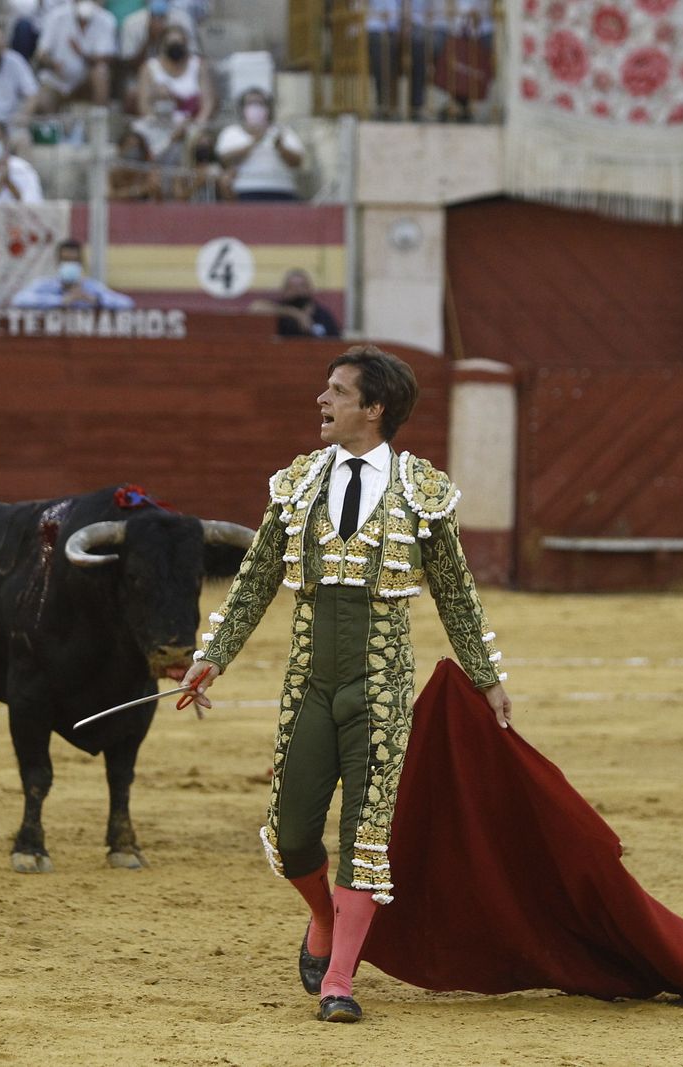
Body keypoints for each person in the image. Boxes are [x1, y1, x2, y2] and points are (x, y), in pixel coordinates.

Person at [180, 345, 512, 1024]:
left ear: (374, 407)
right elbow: (256, 579)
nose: (321, 402)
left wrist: (487, 678)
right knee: (292, 832)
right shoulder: (297, 482)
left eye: (336, 392)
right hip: (309, 683)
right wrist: (213, 653)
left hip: (383, 687)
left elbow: (454, 592)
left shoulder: (423, 489)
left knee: (366, 832)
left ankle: (338, 980)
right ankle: (322, 916)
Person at [215, 88, 303, 202]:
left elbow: (297, 163)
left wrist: (281, 147)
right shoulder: (231, 132)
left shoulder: (283, 131)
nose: (256, 108)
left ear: (269, 108)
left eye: (260, 103)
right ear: (242, 108)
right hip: (245, 191)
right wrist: (255, 141)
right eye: (251, 103)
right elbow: (224, 160)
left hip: (281, 190)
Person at [33, 0, 115, 111]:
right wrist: (52, 64)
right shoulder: (56, 16)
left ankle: (99, 117)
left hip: (84, 83)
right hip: (57, 81)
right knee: (43, 102)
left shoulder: (106, 19)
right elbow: (41, 53)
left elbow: (106, 58)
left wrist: (81, 53)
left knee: (101, 71)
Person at [11, 237, 133, 308]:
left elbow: (127, 303)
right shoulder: (45, 285)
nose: (69, 264)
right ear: (58, 262)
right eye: (65, 260)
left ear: (81, 263)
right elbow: (19, 299)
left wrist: (94, 299)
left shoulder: (91, 287)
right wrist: (61, 301)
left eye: (74, 260)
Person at [131, 21, 211, 126]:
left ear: (186, 45)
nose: (176, 47)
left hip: (191, 124)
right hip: (158, 124)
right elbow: (143, 105)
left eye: (179, 44)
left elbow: (208, 103)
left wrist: (197, 124)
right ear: (163, 45)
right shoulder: (149, 68)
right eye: (172, 44)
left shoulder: (198, 65)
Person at [250, 268, 340, 339]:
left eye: (302, 286)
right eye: (292, 288)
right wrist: (295, 314)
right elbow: (255, 307)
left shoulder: (323, 315)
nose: (298, 291)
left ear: (310, 289)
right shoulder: (280, 311)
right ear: (284, 291)